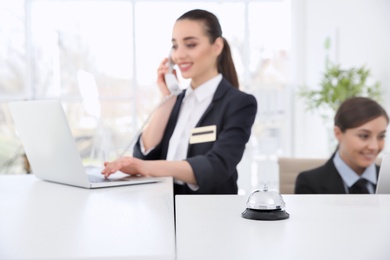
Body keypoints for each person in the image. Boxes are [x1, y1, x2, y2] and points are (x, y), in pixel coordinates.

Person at [102, 9, 257, 194]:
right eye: (175, 46)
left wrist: (143, 167)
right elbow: (143, 154)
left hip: (211, 211)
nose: (179, 55)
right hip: (165, 205)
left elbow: (217, 166)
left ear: (217, 47)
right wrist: (168, 97)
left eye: (190, 45)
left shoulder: (239, 103)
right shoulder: (176, 100)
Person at [295, 97, 389, 194]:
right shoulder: (309, 183)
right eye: (364, 136)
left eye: (381, 136)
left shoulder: (388, 179)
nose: (374, 146)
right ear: (338, 133)